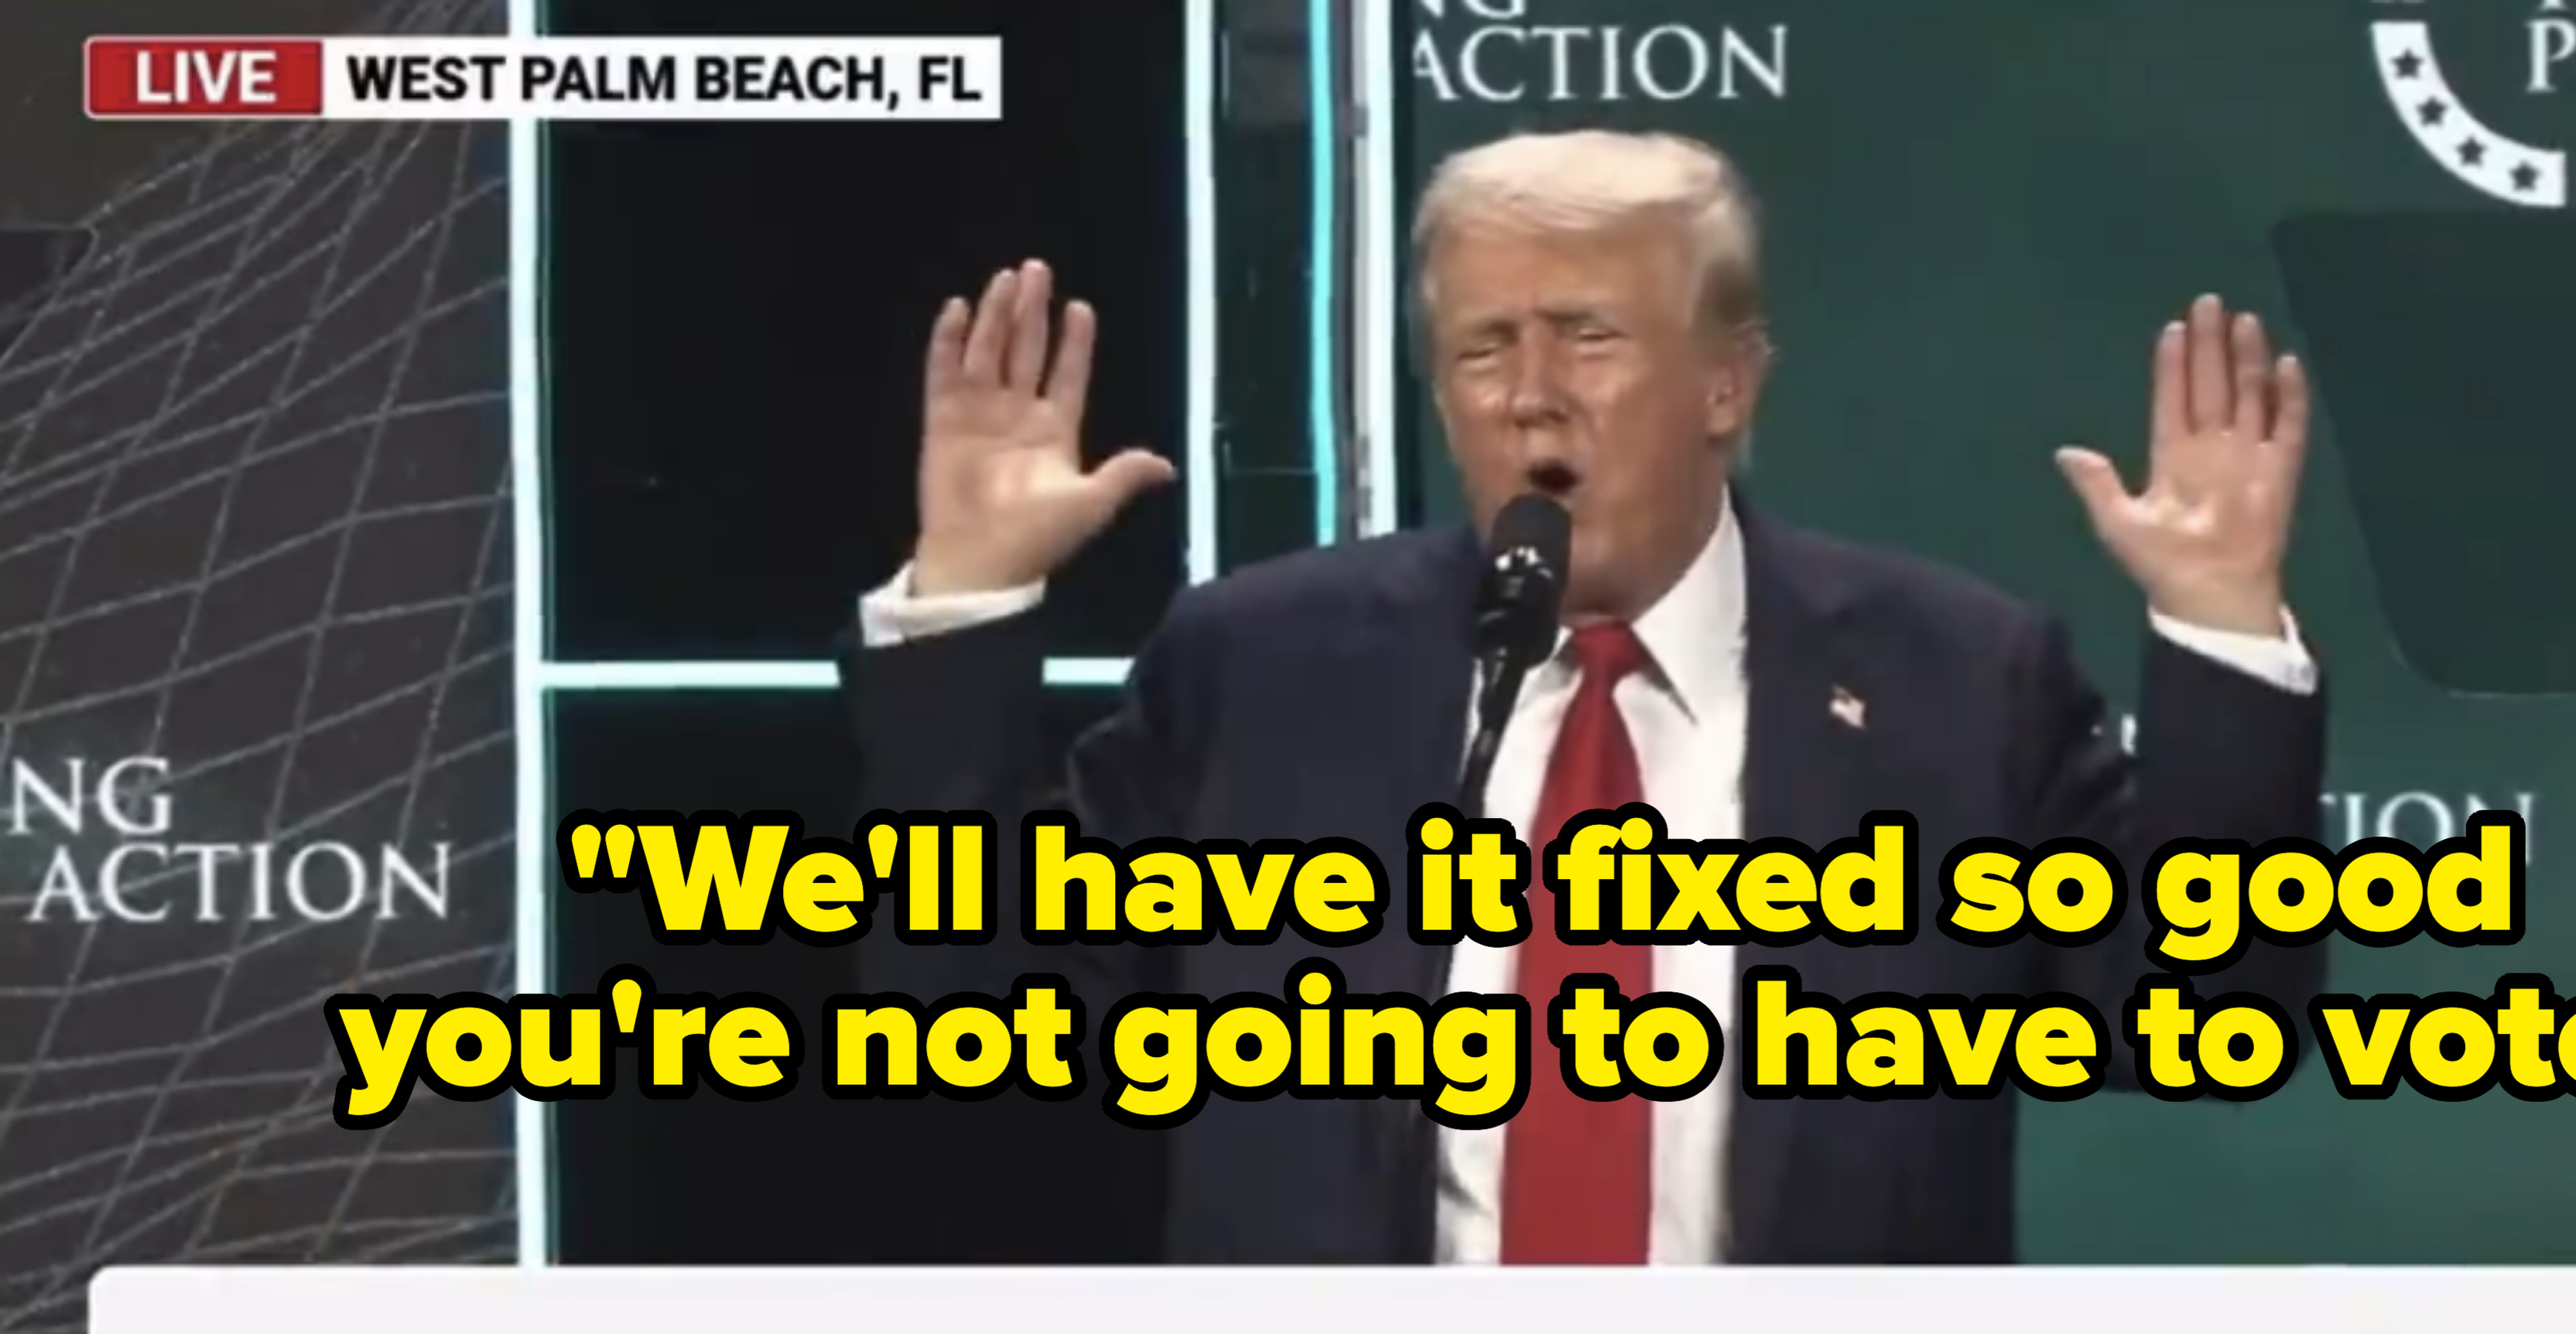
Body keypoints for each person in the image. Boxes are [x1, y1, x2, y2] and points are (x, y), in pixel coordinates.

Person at [840, 130, 2325, 1265]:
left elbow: (2208, 1019)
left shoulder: (1951, 677)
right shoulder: (1268, 667)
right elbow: (980, 1007)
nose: (1526, 394)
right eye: (1482, 348)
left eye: (1588, 336)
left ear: (1727, 386)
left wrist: (2218, 627)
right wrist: (968, 598)